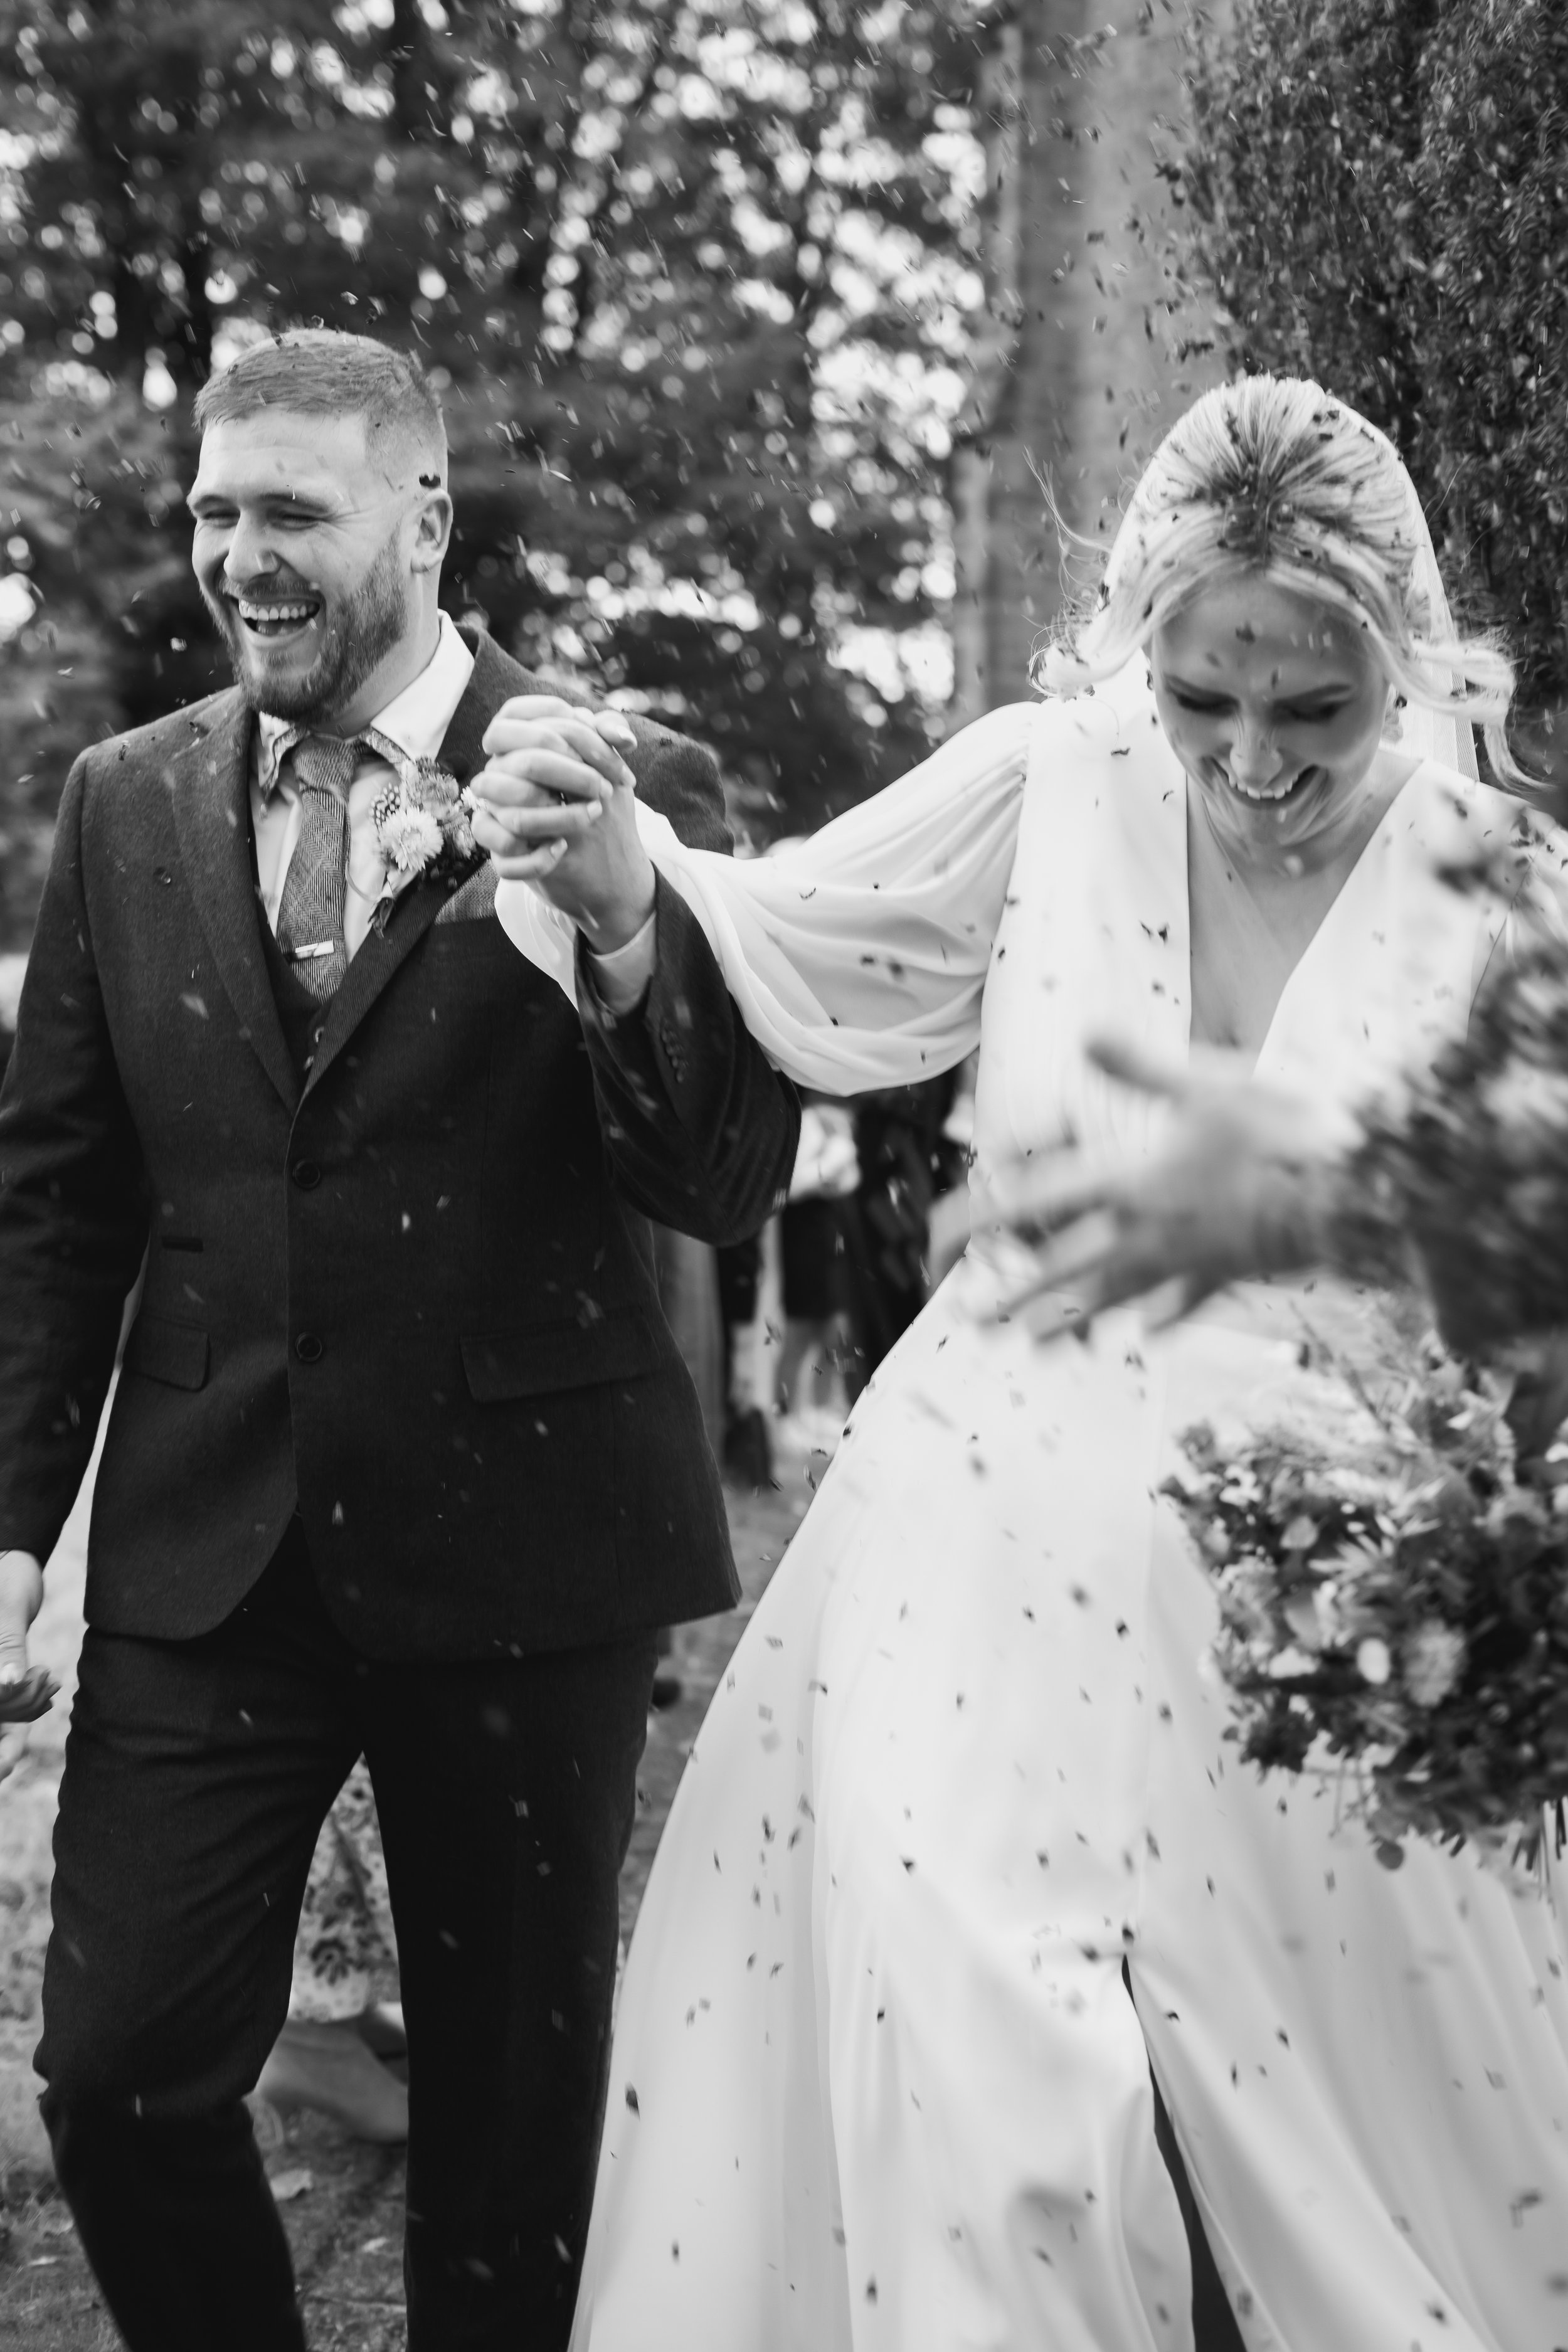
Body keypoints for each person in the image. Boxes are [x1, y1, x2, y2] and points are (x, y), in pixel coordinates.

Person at [479, 376, 1568, 2350]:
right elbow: (786, 937)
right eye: (1198, 700)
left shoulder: (1502, 890)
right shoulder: (1043, 779)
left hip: (1314, 1599)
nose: (1246, 761)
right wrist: (626, 881)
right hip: (978, 1547)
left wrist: (1359, 1222)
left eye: (1311, 709)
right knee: (978, 2087)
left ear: (1404, 668)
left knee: (1357, 2154)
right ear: (1132, 651)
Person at [0, 328, 799, 2351]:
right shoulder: (122, 803)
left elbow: (724, 1174)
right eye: (212, 511)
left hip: (527, 1546)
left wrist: (623, 924)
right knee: (114, 2070)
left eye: (292, 512)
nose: (239, 558)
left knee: (514, 2133)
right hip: (210, 1552)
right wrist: (12, 1529)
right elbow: (58, 1203)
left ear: (423, 514)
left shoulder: (621, 774)